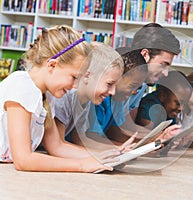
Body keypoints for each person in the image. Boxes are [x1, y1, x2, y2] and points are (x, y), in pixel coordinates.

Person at [0, 25, 120, 172]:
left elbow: (58, 146)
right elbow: (23, 160)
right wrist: (82, 165)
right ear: (52, 65)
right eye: (74, 77)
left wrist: (104, 157)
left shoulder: (46, 95)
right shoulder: (22, 87)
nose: (75, 85)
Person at [49, 42, 136, 151]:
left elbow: (79, 139)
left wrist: (116, 150)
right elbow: (58, 146)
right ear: (88, 75)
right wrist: (101, 157)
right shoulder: (66, 95)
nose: (113, 92)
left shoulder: (87, 100)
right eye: (109, 84)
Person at [105, 23, 182, 143]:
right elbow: (114, 132)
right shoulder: (116, 82)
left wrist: (165, 136)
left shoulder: (141, 86)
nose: (166, 73)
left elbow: (126, 126)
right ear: (145, 55)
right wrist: (156, 139)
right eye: (163, 64)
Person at [69, 47, 148, 146]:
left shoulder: (118, 100)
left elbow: (114, 130)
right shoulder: (97, 98)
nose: (135, 92)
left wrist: (143, 144)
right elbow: (90, 136)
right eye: (132, 86)